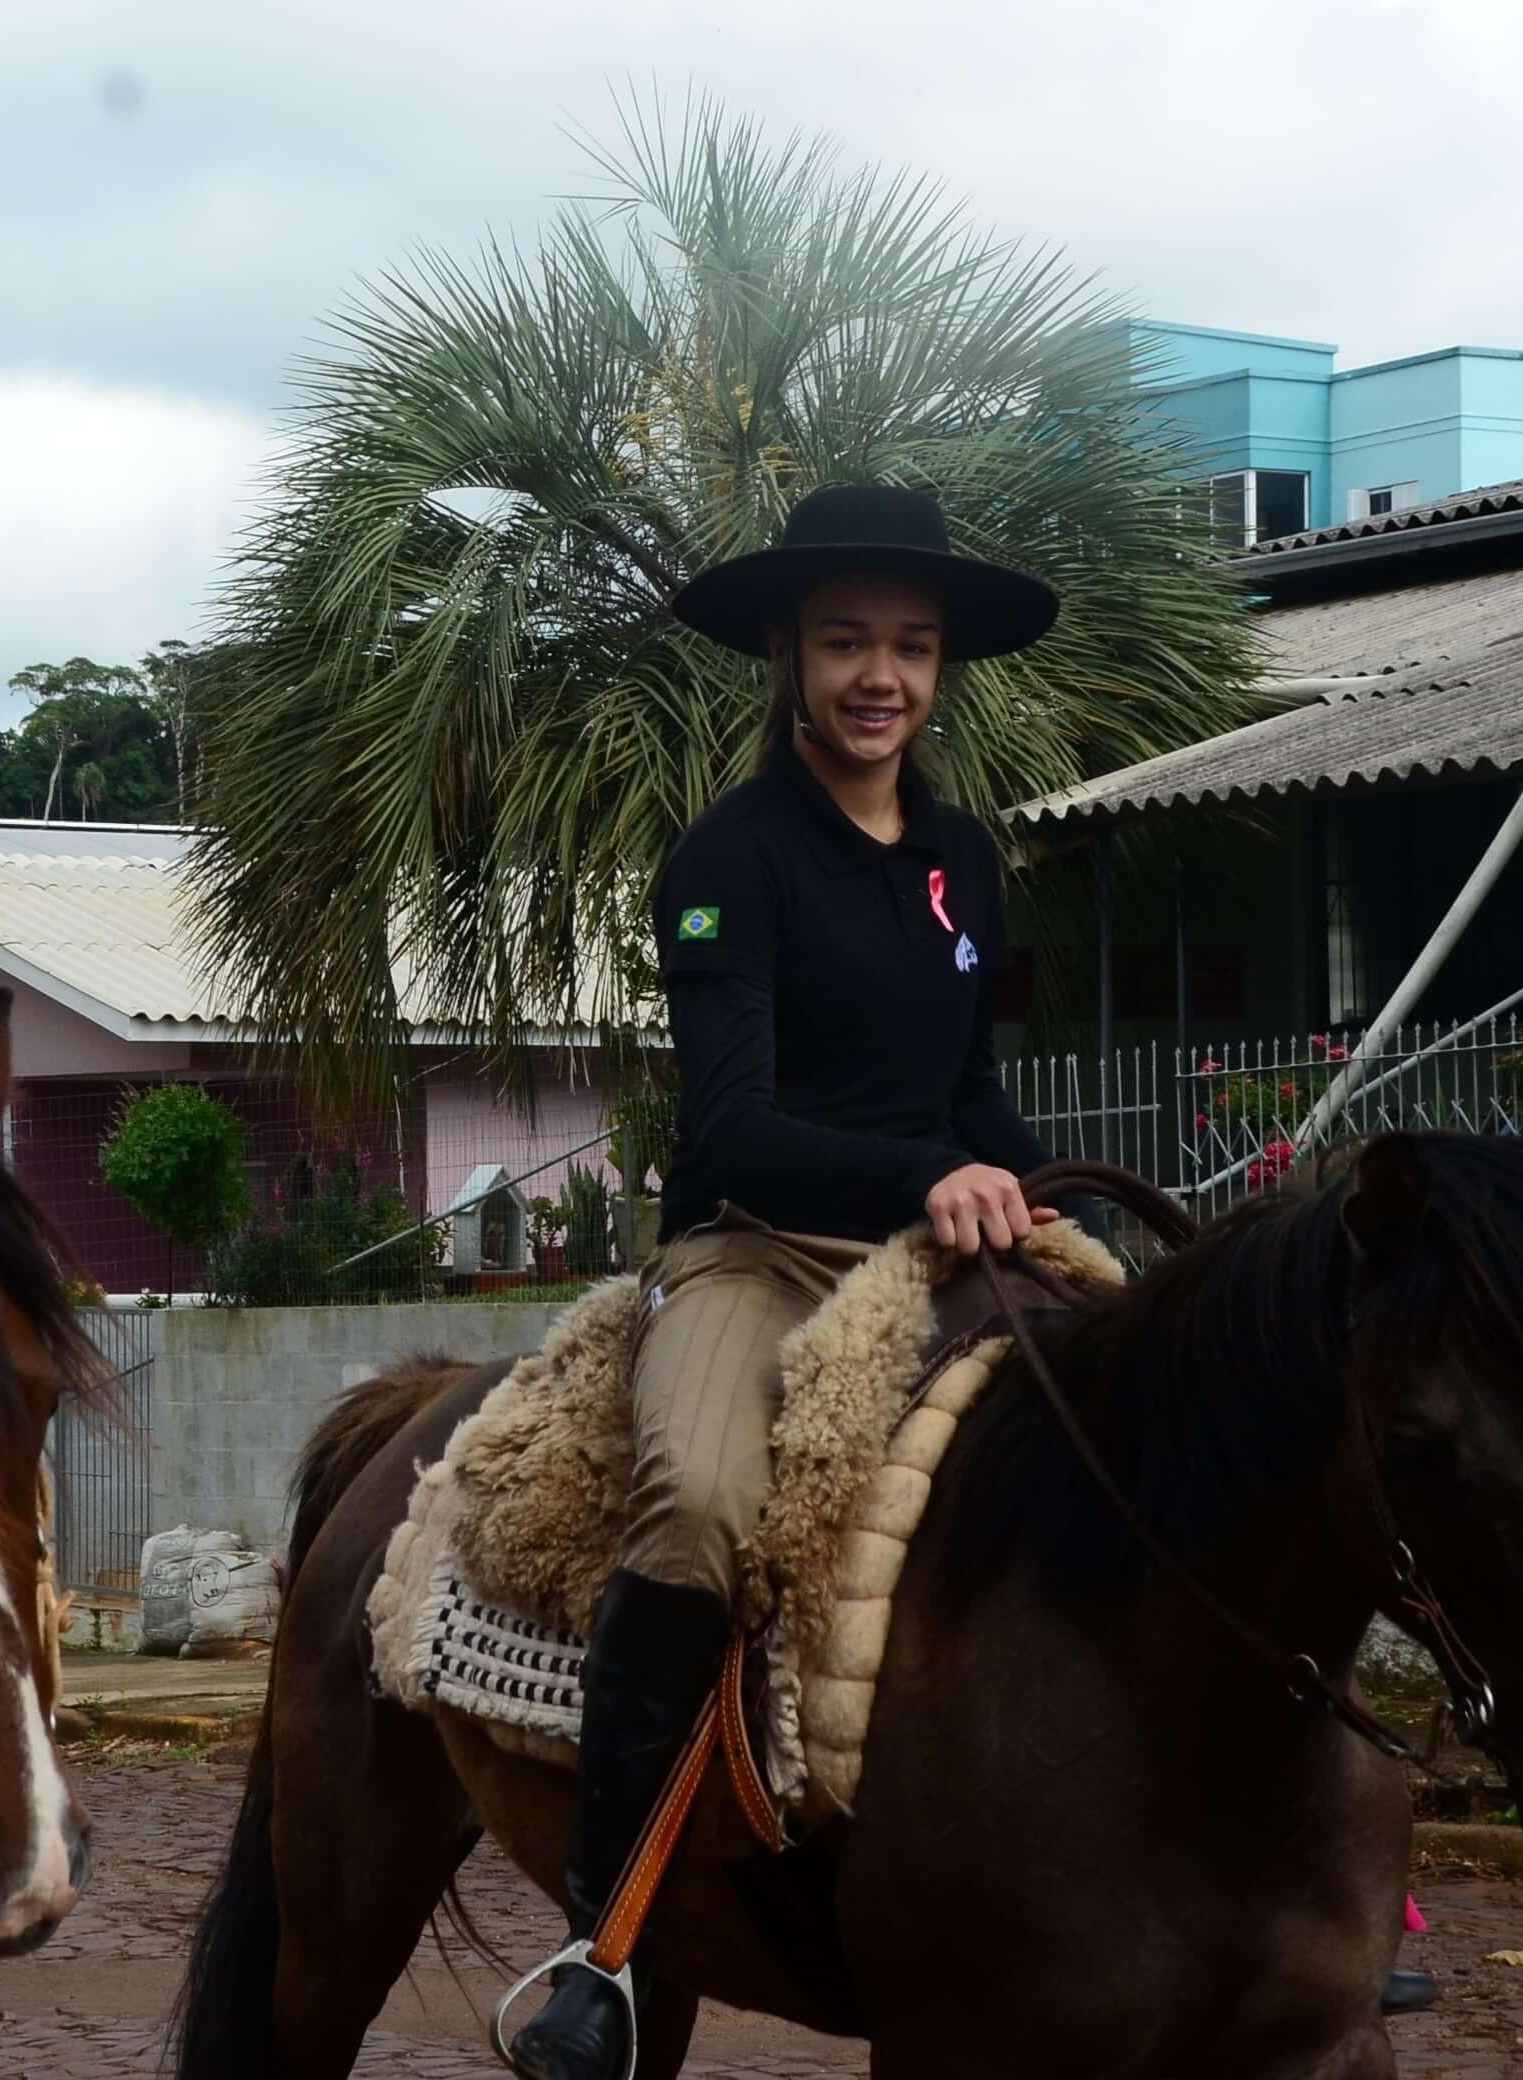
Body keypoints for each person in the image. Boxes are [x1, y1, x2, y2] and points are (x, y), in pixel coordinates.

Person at [505, 483, 1064, 2080]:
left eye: (908, 645)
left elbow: (970, 1089)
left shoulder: (962, 858)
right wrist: (928, 1173)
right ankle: (601, 1947)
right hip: (752, 1242)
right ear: (786, 654)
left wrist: (1058, 1188)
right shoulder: (727, 857)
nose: (877, 675)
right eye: (844, 644)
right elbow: (735, 1123)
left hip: (934, 1227)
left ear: (941, 664)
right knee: (696, 1501)